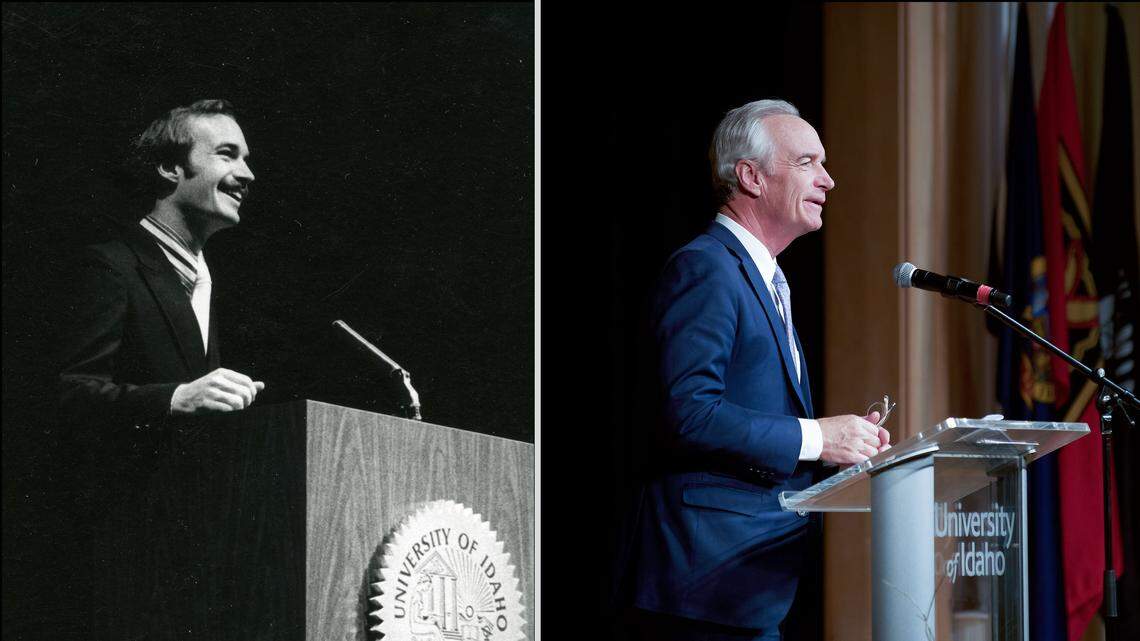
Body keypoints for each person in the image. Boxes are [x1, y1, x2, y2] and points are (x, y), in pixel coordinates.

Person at [625, 99, 890, 640]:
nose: (829, 180)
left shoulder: (768, 278)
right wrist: (818, 437)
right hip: (703, 588)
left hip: (750, 584)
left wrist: (847, 448)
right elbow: (689, 413)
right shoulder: (706, 268)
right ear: (751, 176)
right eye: (807, 163)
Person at [58, 99, 264, 424]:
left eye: (246, 159)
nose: (248, 174)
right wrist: (175, 398)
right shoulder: (109, 265)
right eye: (227, 154)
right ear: (170, 167)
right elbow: (68, 394)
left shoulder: (203, 281)